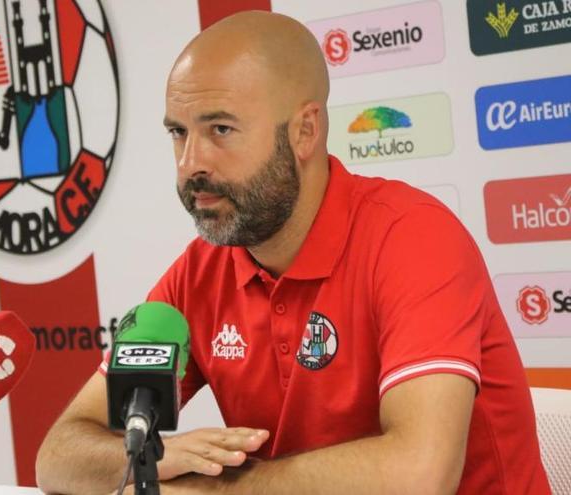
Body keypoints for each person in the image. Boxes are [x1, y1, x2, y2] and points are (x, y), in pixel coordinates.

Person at [35, 11, 550, 495]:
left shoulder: (412, 237)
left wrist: (217, 487)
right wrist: (158, 456)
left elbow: (420, 473)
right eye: (178, 132)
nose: (191, 162)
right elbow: (57, 455)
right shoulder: (198, 273)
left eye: (221, 129)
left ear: (305, 131)